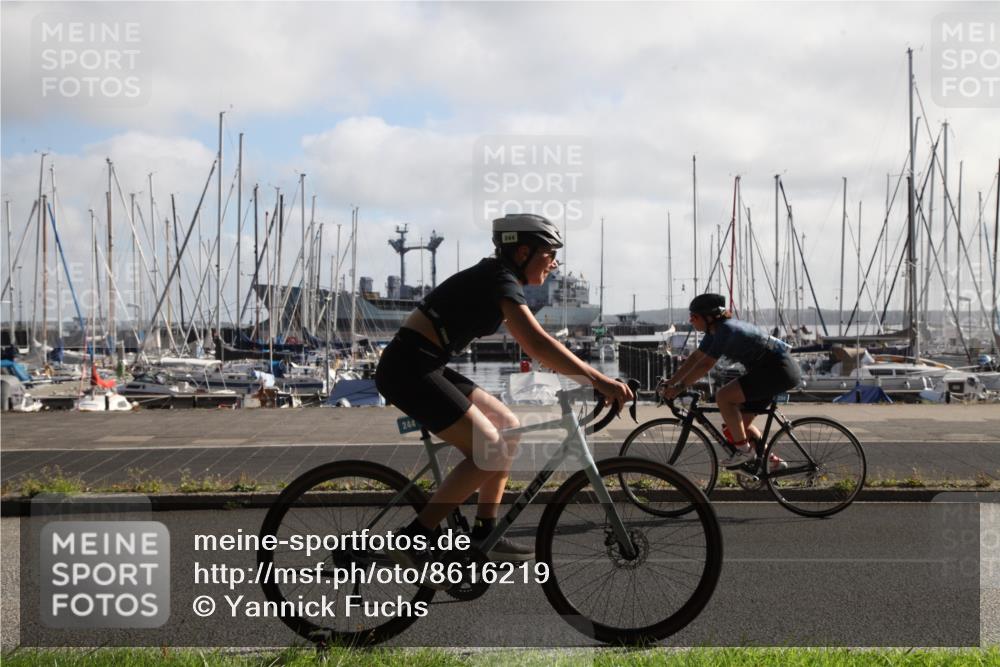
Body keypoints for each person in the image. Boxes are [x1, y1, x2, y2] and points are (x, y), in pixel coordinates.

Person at [375, 213, 633, 579]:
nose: (555, 263)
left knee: (508, 427)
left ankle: (486, 533)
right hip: (408, 369)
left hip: (425, 363)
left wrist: (585, 379)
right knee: (490, 450)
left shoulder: (500, 278)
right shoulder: (499, 279)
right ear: (523, 252)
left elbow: (536, 346)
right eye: (550, 254)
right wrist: (600, 380)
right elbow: (537, 342)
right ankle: (414, 539)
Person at [658, 293, 800, 471]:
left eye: (694, 316)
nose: (690, 320)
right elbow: (695, 358)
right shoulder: (714, 331)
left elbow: (706, 364)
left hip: (778, 370)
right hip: (770, 371)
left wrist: (679, 387)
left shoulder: (725, 330)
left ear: (709, 317)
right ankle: (771, 462)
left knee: (724, 396)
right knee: (734, 428)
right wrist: (672, 381)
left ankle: (745, 451)